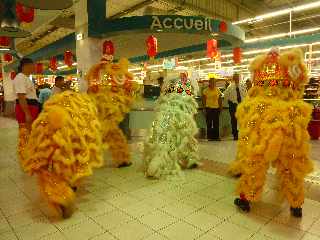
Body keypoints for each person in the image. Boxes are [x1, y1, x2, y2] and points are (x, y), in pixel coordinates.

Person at [12, 58, 39, 162]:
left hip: (32, 107)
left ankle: (30, 154)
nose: (34, 67)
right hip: (26, 108)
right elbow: (21, 97)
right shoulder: (20, 78)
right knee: (25, 133)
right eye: (33, 65)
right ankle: (25, 156)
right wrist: (27, 114)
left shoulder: (26, 78)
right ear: (26, 66)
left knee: (30, 132)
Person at [224, 73, 246, 140]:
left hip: (241, 105)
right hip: (233, 105)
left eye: (237, 77)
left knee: (242, 120)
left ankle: (242, 134)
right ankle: (235, 135)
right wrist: (231, 101)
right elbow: (225, 95)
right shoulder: (230, 87)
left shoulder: (242, 86)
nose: (237, 78)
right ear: (233, 78)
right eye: (235, 77)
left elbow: (246, 94)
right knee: (233, 121)